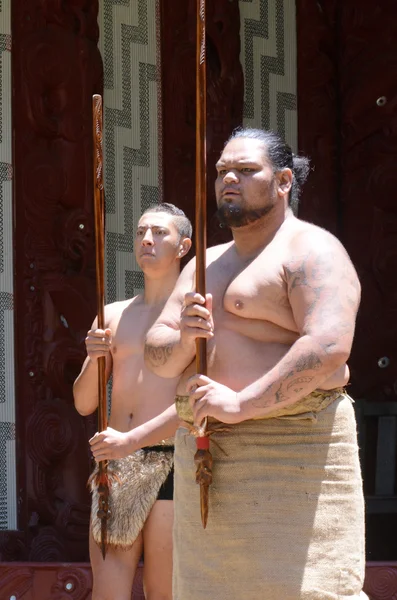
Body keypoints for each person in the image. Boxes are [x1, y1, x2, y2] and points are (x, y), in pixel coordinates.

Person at [144, 129, 368, 600]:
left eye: (246, 171)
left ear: (284, 180)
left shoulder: (312, 250)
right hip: (207, 455)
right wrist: (186, 335)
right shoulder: (204, 264)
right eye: (223, 171)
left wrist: (243, 403)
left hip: (292, 447)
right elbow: (158, 355)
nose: (230, 179)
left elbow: (328, 346)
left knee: (307, 590)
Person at [73, 203, 192, 600]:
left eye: (160, 233)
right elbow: (84, 403)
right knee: (109, 592)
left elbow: (196, 400)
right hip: (116, 461)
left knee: (164, 591)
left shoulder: (192, 317)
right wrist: (94, 358)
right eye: (142, 231)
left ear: (183, 246)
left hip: (171, 456)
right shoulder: (113, 315)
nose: (147, 239)